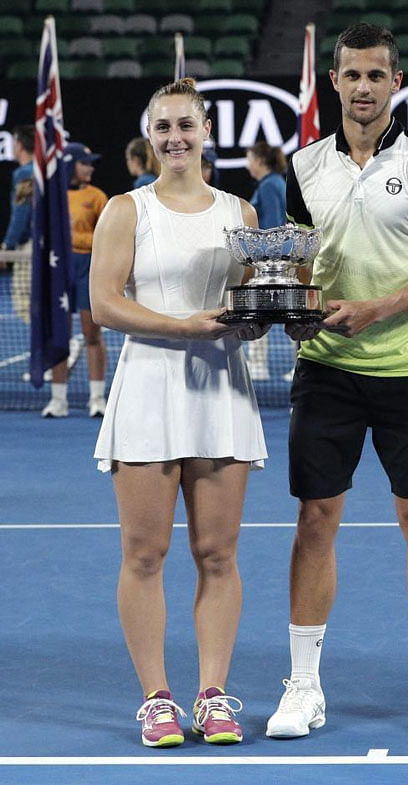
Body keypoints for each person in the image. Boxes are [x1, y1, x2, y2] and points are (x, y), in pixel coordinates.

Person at [265, 22, 408, 741]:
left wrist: (376, 309)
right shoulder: (304, 167)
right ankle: (303, 684)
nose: (362, 87)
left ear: (396, 83)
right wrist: (291, 311)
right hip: (325, 371)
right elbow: (293, 264)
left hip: (406, 370)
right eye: (350, 75)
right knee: (314, 520)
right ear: (334, 81)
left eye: (375, 75)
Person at [90, 77, 268, 747]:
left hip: (220, 390)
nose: (174, 137)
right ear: (150, 135)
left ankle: (214, 694)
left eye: (184, 125)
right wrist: (184, 327)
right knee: (145, 553)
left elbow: (248, 306)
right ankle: (157, 699)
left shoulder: (243, 215)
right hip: (147, 390)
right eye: (162, 127)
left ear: (205, 131)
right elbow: (105, 303)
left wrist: (264, 321)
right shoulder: (124, 210)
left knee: (217, 553)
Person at [41, 142, 109, 418]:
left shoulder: (97, 197)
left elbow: (108, 238)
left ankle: (96, 399)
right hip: (59, 270)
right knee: (59, 335)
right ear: (71, 165)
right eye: (85, 163)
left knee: (92, 334)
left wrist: (75, 238)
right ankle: (58, 400)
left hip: (88, 269)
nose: (90, 168)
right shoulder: (51, 197)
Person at [244, 141, 289, 381]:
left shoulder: (270, 185)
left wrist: (263, 261)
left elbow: (272, 227)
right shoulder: (272, 183)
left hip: (272, 261)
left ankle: (259, 365)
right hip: (278, 259)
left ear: (260, 161)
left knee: (259, 308)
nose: (247, 164)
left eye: (249, 158)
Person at [2, 125, 33, 320]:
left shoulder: (23, 174)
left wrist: (8, 246)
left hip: (28, 248)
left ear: (20, 145)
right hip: (48, 245)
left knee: (26, 303)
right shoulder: (45, 171)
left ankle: (43, 349)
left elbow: (21, 214)